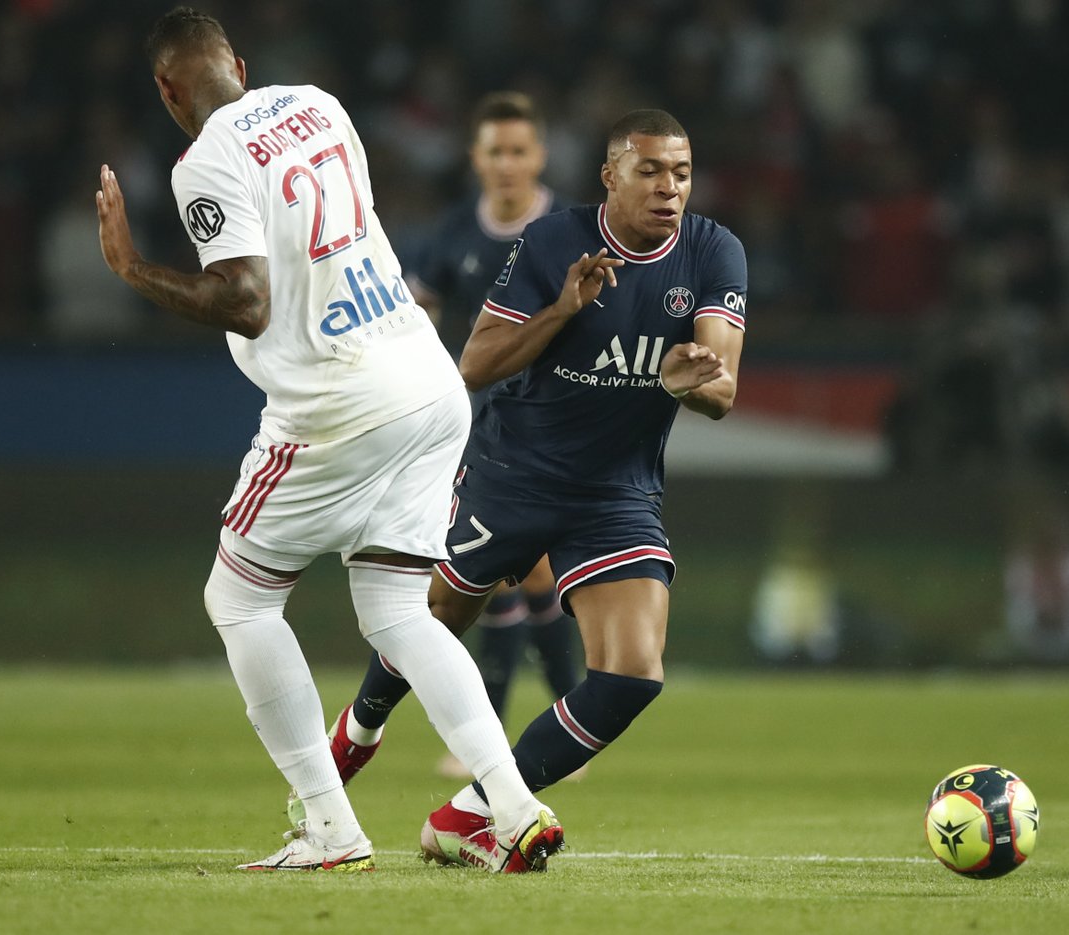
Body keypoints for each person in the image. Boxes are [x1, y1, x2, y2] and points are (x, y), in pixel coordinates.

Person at [95, 6, 562, 873]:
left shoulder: (204, 163)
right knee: (397, 613)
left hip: (337, 404)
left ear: (166, 89)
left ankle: (331, 826)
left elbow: (245, 300)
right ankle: (513, 801)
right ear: (239, 60)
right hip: (427, 381)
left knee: (237, 600)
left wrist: (131, 271)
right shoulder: (320, 103)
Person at [318, 107, 747, 868]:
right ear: (610, 174)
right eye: (649, 170)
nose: (669, 188)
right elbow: (476, 363)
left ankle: (475, 810)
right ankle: (358, 728)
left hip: (617, 491)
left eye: (680, 172)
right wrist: (562, 311)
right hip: (514, 471)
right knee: (436, 620)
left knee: (633, 674)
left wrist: (689, 383)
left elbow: (721, 385)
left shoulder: (715, 251)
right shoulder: (554, 243)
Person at [396, 90, 580, 779]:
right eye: (494, 151)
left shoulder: (566, 230)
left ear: (540, 156)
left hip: (547, 420)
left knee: (519, 569)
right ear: (475, 158)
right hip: (470, 422)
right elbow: (416, 313)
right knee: (497, 575)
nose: (507, 163)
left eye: (519, 151)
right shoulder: (453, 234)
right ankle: (545, 729)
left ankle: (549, 726)